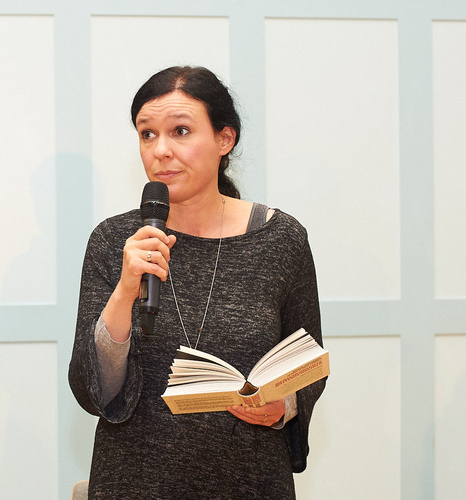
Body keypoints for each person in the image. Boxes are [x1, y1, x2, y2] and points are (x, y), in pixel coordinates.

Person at [68, 65, 325, 498]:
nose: (160, 150)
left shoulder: (281, 239)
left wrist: (284, 404)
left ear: (225, 139)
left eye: (180, 131)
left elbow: (308, 363)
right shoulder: (115, 241)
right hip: (136, 482)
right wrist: (126, 290)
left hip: (250, 481)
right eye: (147, 134)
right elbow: (94, 391)